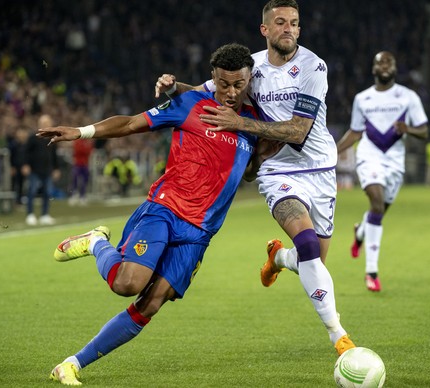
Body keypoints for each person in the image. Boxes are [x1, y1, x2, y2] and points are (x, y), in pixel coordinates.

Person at [38, 43, 280, 386]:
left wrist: (266, 152)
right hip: (165, 211)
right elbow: (133, 123)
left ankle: (71, 364)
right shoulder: (190, 104)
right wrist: (82, 131)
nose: (230, 92)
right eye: (224, 84)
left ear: (249, 80)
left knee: (150, 304)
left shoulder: (253, 123)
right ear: (213, 78)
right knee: (127, 283)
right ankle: (95, 243)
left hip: (200, 233)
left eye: (238, 85)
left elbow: (249, 172)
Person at [155, 0, 355, 356]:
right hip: (277, 170)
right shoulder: (252, 67)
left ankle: (278, 259)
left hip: (320, 170)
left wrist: (240, 123)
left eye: (294, 23)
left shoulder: (313, 66)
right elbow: (209, 91)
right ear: (265, 30)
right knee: (308, 246)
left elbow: (297, 131)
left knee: (315, 261)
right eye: (280, 22)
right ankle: (339, 336)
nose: (289, 29)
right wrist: (173, 89)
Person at [336, 51, 428, 292]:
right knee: (376, 203)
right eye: (380, 62)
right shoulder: (362, 99)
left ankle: (361, 230)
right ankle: (372, 272)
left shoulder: (408, 97)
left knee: (379, 211)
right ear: (374, 69)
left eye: (390, 62)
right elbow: (355, 132)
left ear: (395, 68)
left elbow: (424, 131)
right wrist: (333, 151)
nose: (385, 65)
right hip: (369, 157)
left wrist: (408, 128)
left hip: (395, 161)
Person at [23, 114, 61, 226]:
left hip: (47, 170)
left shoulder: (53, 138)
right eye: (44, 123)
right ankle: (30, 214)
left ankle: (45, 215)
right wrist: (25, 165)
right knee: (31, 192)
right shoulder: (33, 137)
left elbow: (54, 155)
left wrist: (56, 168)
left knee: (47, 193)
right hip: (35, 169)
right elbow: (26, 152)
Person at [68, 137, 93, 206]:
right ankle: (73, 196)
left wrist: (84, 150)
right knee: (74, 180)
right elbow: (77, 150)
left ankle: (82, 196)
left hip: (85, 164)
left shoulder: (87, 142)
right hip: (78, 164)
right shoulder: (78, 141)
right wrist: (85, 150)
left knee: (84, 181)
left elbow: (90, 151)